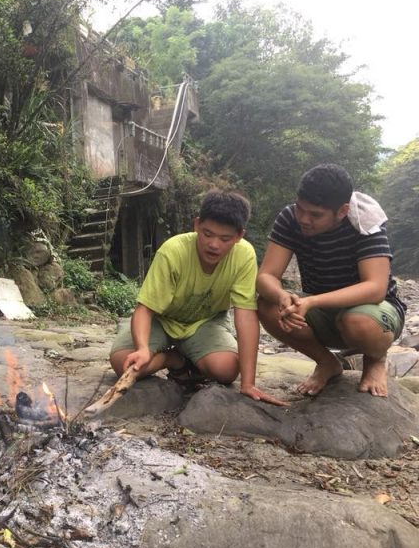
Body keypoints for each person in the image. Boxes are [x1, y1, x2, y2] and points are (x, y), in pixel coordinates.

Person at [109, 190, 286, 406]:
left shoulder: (244, 255)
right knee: (123, 364)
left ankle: (188, 355)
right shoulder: (173, 251)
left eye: (225, 238)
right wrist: (143, 349)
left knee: (227, 370)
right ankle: (173, 359)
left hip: (206, 322)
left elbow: (246, 314)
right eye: (207, 233)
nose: (214, 245)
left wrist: (248, 383)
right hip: (161, 321)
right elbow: (145, 308)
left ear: (239, 236)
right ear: (196, 225)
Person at [256, 163, 406, 397]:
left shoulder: (365, 223)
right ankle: (327, 363)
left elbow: (376, 288)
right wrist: (282, 295)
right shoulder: (289, 218)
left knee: (357, 321)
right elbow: (266, 276)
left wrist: (312, 302)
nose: (304, 219)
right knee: (267, 305)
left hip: (373, 313)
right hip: (324, 312)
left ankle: (375, 359)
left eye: (316, 215)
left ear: (343, 211)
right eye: (300, 208)